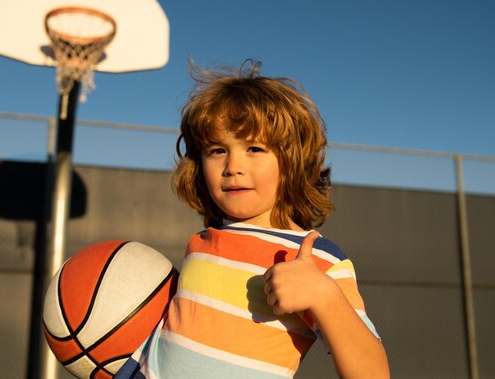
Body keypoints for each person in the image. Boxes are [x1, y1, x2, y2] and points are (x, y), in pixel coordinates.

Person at [116, 59, 390, 378]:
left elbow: (373, 372)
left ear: (292, 161)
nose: (232, 165)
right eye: (217, 150)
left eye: (255, 148)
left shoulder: (316, 259)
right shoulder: (200, 243)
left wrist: (325, 296)